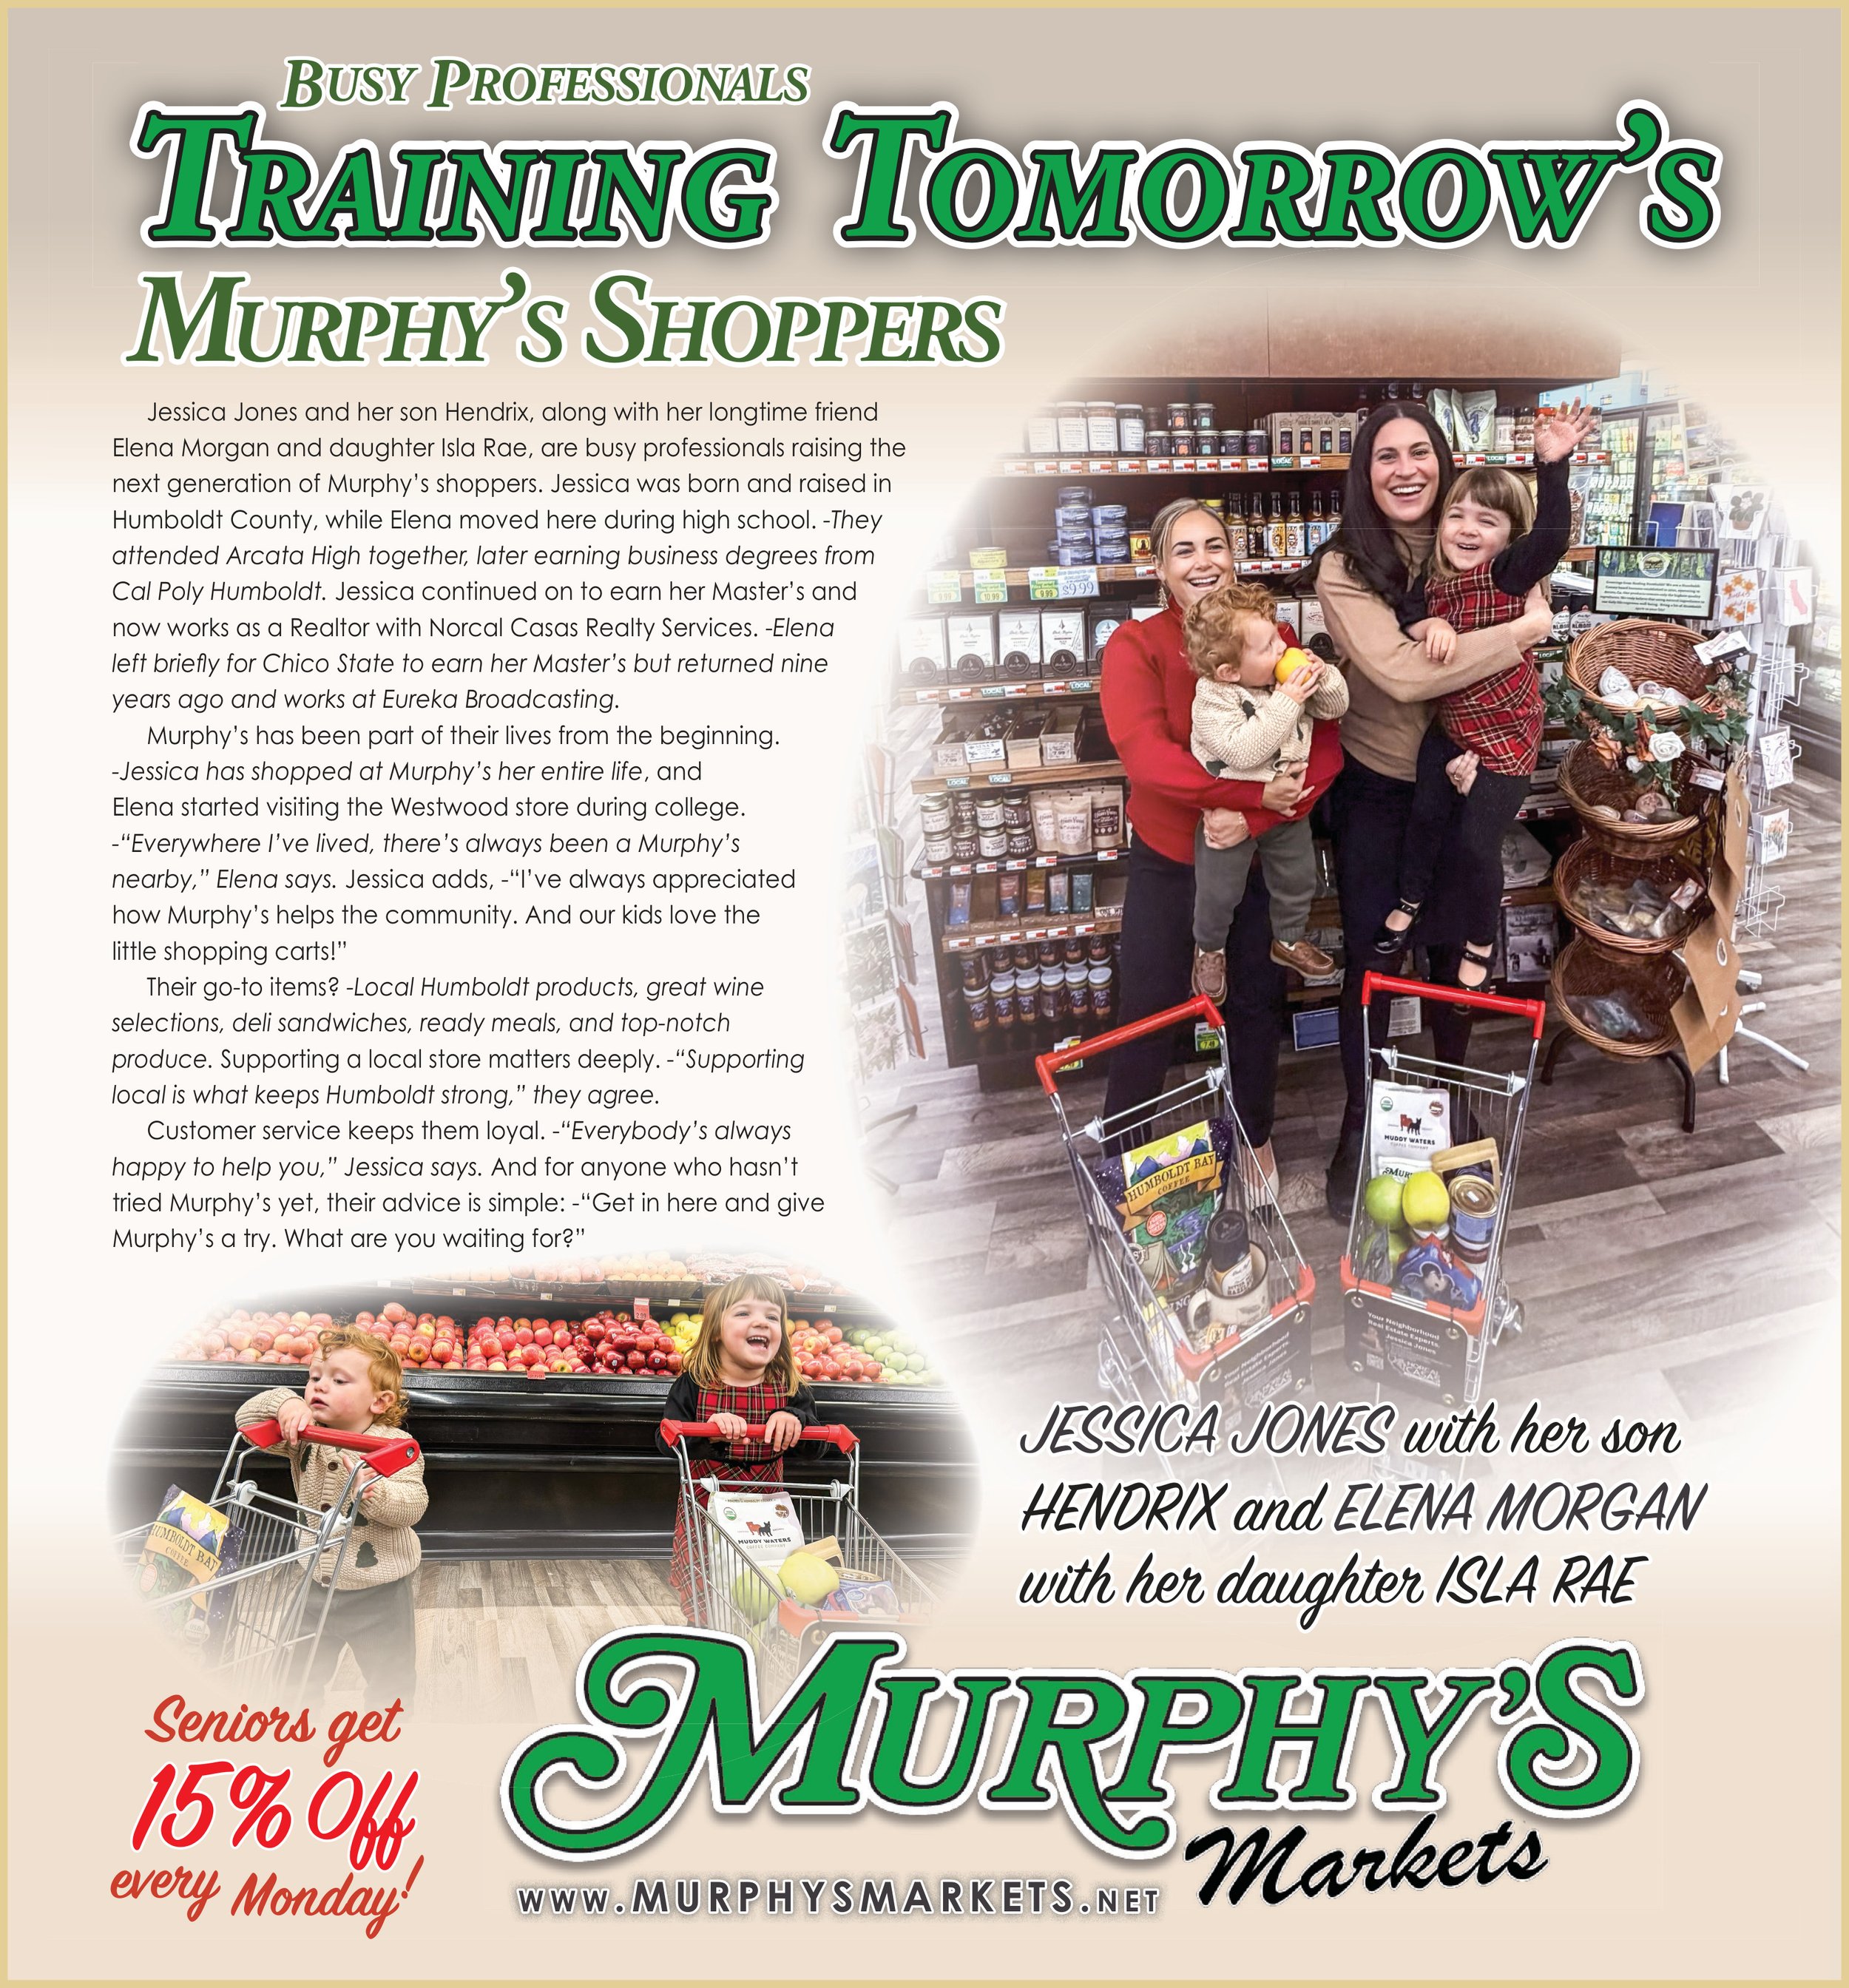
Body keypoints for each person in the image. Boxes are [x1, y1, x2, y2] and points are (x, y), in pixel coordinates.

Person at [1310, 402, 1556, 1218]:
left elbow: (1533, 564)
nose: (1407, 469)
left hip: (1471, 779)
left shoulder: (1481, 538)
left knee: (1458, 950)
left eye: (1422, 452)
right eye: (1386, 456)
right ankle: (1361, 1120)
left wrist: (1523, 608)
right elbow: (1407, 677)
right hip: (1381, 784)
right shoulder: (1345, 566)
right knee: (1373, 963)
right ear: (1364, 472)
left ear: (1444, 463)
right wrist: (1523, 633)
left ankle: (1452, 1102)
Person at [1100, 500, 1342, 1189]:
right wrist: (1237, 799)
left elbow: (1321, 750)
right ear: (1160, 567)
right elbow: (1148, 761)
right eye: (1185, 550)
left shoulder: (1272, 635)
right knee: (1147, 1007)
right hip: (1172, 862)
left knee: (1257, 1003)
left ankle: (1254, 1135)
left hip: (1256, 859)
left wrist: (1256, 819)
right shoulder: (1135, 645)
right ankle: (1122, 1155)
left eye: (1216, 546)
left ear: (1235, 557)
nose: (1204, 562)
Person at [1370, 401, 1600, 1004]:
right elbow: (1409, 616)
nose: (1468, 530)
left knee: (1476, 844)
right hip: (1452, 725)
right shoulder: (1431, 579)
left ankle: (1480, 939)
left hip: (1506, 736)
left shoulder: (1510, 575)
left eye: (1487, 521)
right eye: (1458, 516)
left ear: (1509, 539)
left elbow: (1551, 539)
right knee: (1424, 815)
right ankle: (1410, 898)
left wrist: (1552, 467)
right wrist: (1428, 631)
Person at [236, 1326, 427, 1711]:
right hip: (314, 1582)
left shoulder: (393, 1449)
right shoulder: (304, 1435)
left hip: (379, 1591)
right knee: (294, 1674)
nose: (319, 1387)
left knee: (390, 1682)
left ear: (380, 1401)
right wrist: (286, 1405)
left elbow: (413, 1504)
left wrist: (375, 1494)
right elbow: (245, 1419)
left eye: (338, 1380)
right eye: (314, 1377)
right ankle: (299, 1736)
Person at [1183, 580, 1350, 998]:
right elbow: (1244, 750)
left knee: (1297, 876)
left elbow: (1335, 708)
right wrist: (1288, 699)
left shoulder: (1281, 682)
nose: (1281, 649)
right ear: (1229, 671)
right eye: (1268, 646)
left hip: (1285, 806)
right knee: (1219, 890)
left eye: (1278, 637)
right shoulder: (1212, 699)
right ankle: (1209, 947)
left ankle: (1289, 939)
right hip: (1230, 805)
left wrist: (1323, 675)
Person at [657, 1273, 817, 1625]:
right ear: (715, 1330)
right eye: (743, 1313)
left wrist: (796, 1421)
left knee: (765, 1589)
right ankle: (706, 1637)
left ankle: (762, 1641)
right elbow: (666, 1441)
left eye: (772, 1317)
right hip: (706, 1514)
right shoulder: (693, 1384)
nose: (760, 1321)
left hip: (764, 1520)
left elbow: (815, 1448)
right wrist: (709, 1433)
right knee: (709, 1588)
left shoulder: (790, 1388)